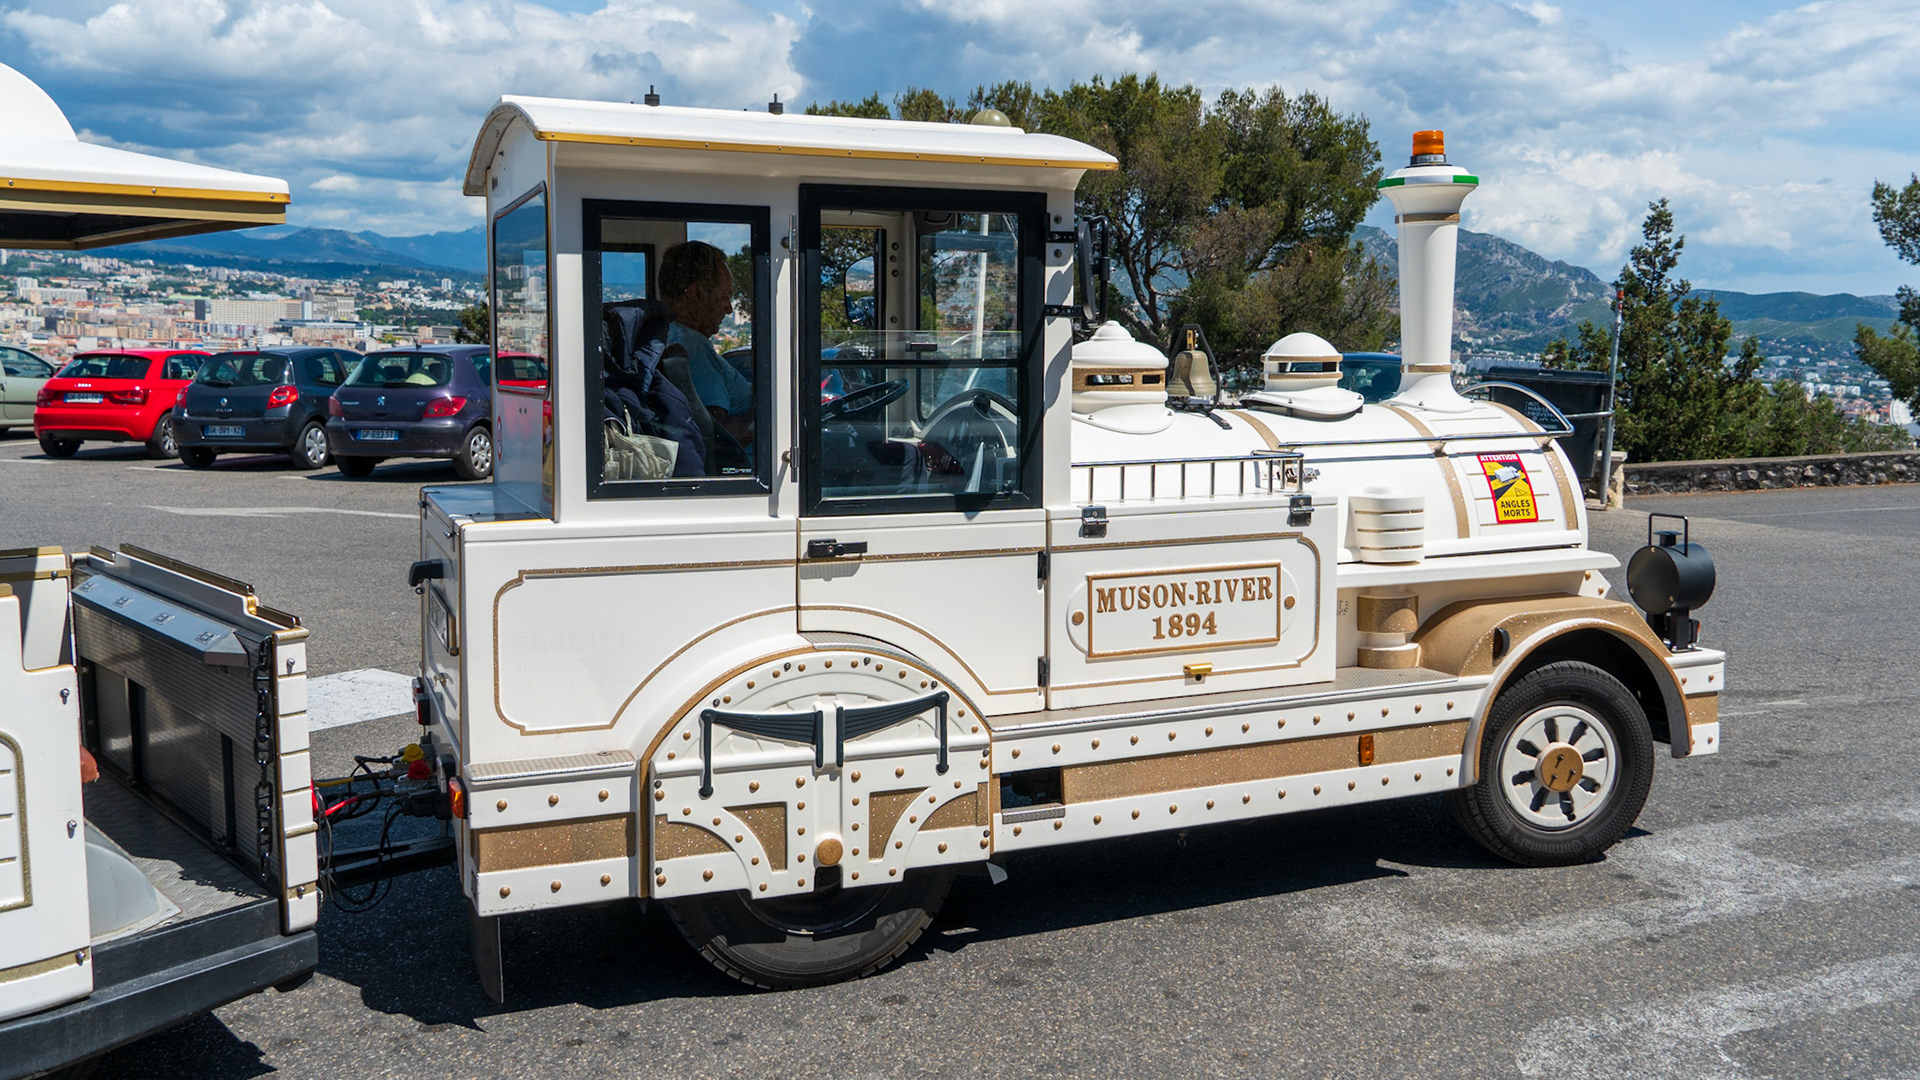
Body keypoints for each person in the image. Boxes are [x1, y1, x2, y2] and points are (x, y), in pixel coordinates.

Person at [658, 241, 753, 451]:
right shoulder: (693, 348)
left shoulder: (666, 334)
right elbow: (715, 434)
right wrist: (767, 408)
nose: (729, 309)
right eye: (724, 297)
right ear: (696, 294)